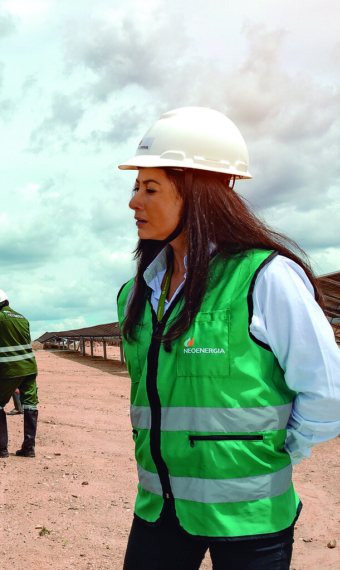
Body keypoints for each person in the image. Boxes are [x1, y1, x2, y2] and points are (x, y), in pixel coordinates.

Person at [117, 107, 340, 570]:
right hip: (160, 509)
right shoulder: (137, 293)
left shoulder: (266, 278)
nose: (134, 201)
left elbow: (327, 391)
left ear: (197, 194)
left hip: (250, 516)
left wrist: (276, 450)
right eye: (136, 187)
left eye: (150, 188)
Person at [0, 288, 39, 457]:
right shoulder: (22, 318)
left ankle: (0, 447)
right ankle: (28, 449)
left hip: (12, 369)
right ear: (7, 302)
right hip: (30, 367)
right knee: (30, 404)